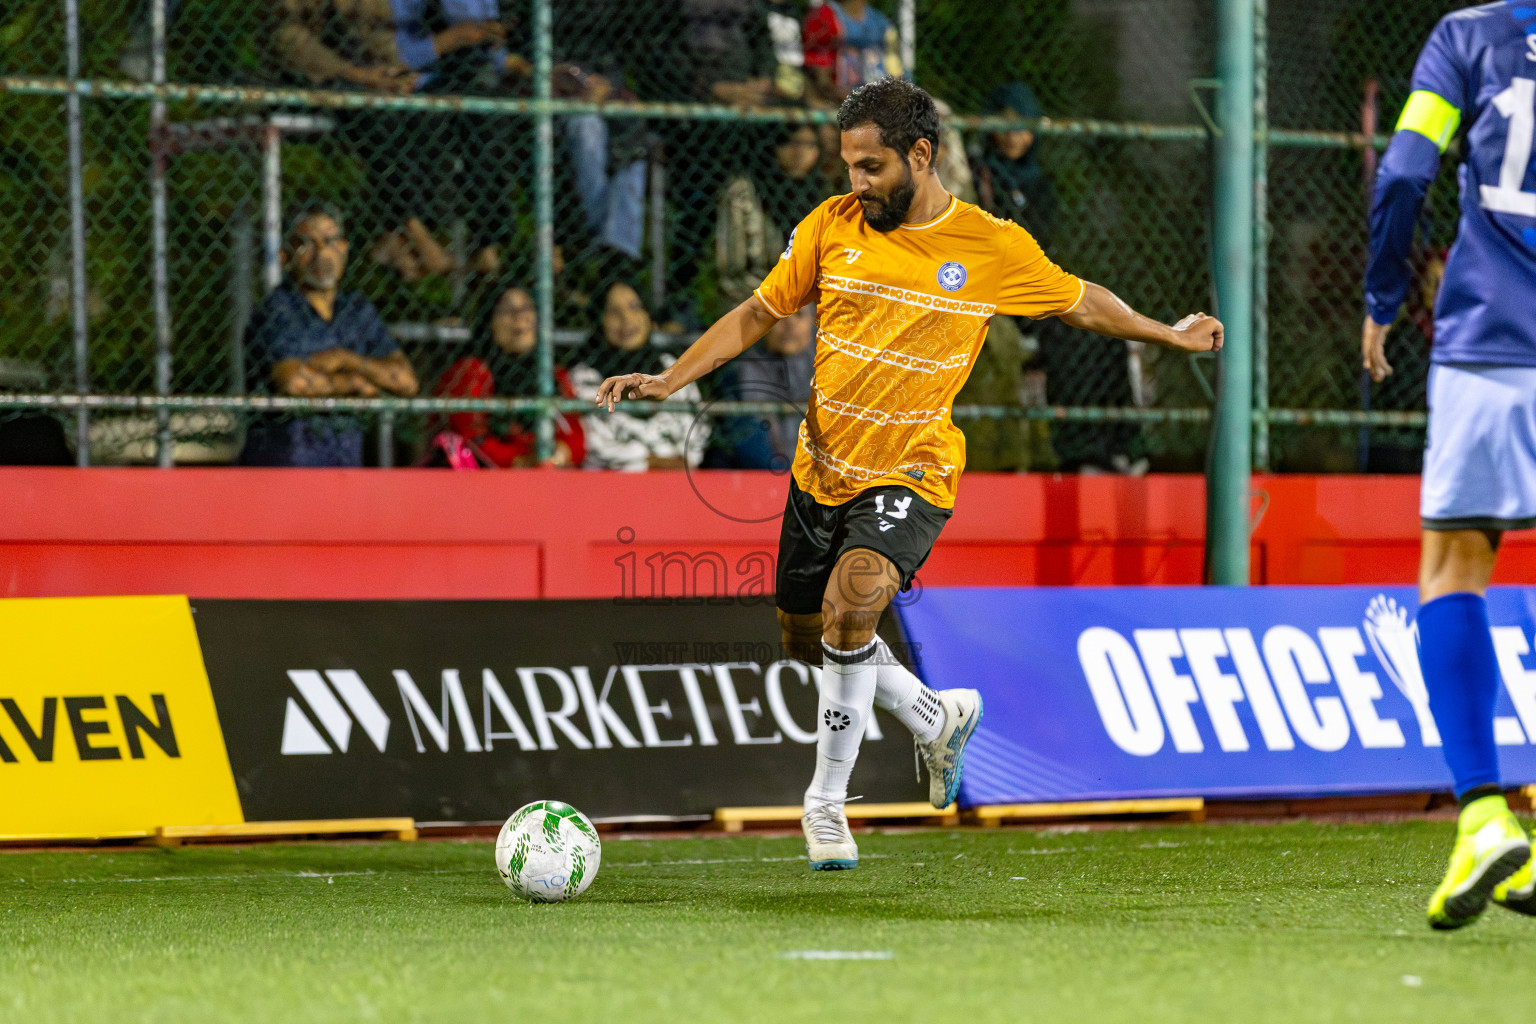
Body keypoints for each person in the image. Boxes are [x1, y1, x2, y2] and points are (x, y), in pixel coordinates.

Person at [595, 78, 1221, 870]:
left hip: (913, 469)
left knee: (851, 612)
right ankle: (932, 715)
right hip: (821, 469)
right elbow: (758, 313)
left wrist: (1166, 332)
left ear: (919, 155)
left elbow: (1079, 301)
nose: (856, 183)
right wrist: (668, 380)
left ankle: (826, 805)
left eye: (871, 167)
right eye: (849, 166)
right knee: (805, 639)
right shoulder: (831, 225)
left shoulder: (989, 245)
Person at [1362, 2, 1536, 931]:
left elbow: (1406, 171)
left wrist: (1383, 295)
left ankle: (1482, 813)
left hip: (1493, 343)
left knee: (1454, 569)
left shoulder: (1469, 36)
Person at [274, 0, 528, 281]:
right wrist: (369, 74)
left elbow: (392, 48)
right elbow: (293, 41)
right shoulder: (328, 16)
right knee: (383, 115)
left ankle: (479, 241)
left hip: (399, 73)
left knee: (472, 112)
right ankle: (410, 228)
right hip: (325, 79)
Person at [975, 81, 1140, 472]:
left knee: (1108, 327)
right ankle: (1077, 449)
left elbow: (1046, 246)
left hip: (1035, 284)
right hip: (994, 289)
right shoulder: (981, 175)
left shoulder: (1040, 184)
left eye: (1025, 124)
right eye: (1006, 122)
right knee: (1069, 331)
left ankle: (1120, 442)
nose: (1016, 134)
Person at [241, 205, 419, 467]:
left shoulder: (356, 310)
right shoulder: (278, 309)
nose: (322, 253)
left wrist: (346, 359)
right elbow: (294, 383)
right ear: (284, 256)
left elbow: (405, 381)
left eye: (330, 241)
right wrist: (355, 384)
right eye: (306, 245)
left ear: (344, 248)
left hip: (343, 470)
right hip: (283, 471)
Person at [431, 285, 585, 468]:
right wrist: (521, 462)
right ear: (490, 323)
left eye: (528, 308)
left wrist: (561, 453)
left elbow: (575, 436)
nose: (520, 317)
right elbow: (471, 438)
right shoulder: (471, 370)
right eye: (506, 310)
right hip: (486, 477)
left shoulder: (554, 374)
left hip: (542, 470)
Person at [572, 282, 709, 471]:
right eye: (613, 311)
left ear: (648, 316)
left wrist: (685, 461)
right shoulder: (585, 376)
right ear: (600, 320)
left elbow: (696, 434)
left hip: (678, 480)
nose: (626, 318)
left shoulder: (670, 366)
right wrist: (651, 463)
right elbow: (597, 445)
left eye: (634, 307)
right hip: (612, 484)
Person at [716, 124, 829, 308]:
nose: (799, 153)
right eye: (791, 143)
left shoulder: (821, 195)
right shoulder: (743, 193)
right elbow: (734, 270)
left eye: (809, 145)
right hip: (752, 300)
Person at [707, 303, 818, 469]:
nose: (789, 324)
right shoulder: (740, 373)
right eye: (779, 316)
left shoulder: (830, 369)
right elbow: (748, 445)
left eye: (799, 315)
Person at [802, 0, 903, 104]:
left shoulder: (881, 23)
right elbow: (821, 78)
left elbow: (895, 71)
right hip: (839, 102)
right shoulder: (824, 18)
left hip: (876, 102)